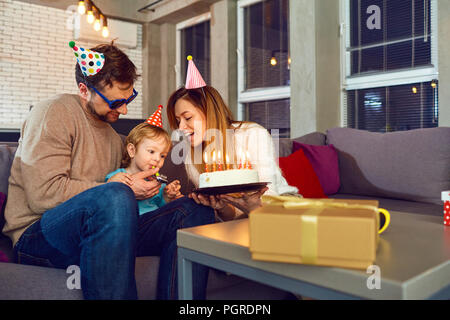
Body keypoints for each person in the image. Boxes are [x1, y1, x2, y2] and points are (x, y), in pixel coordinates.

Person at [2, 42, 215, 300]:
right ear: (84, 90)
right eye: (116, 102)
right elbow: (43, 194)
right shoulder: (53, 113)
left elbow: (138, 164)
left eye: (129, 98)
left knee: (193, 210)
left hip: (104, 230)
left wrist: (156, 186)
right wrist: (123, 189)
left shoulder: (115, 138)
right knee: (115, 195)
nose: (124, 110)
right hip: (38, 237)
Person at [166, 56, 300, 221]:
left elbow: (269, 197)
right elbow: (229, 216)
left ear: (209, 112)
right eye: (178, 121)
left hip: (280, 207)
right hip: (240, 218)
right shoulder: (191, 154)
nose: (181, 128)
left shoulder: (253, 134)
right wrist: (222, 208)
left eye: (187, 118)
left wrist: (248, 207)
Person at [105, 108, 183, 214]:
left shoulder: (158, 183)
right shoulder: (119, 176)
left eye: (162, 156)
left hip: (154, 222)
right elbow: (107, 198)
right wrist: (117, 185)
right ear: (132, 150)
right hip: (129, 221)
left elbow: (161, 206)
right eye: (151, 151)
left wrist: (167, 196)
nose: (157, 159)